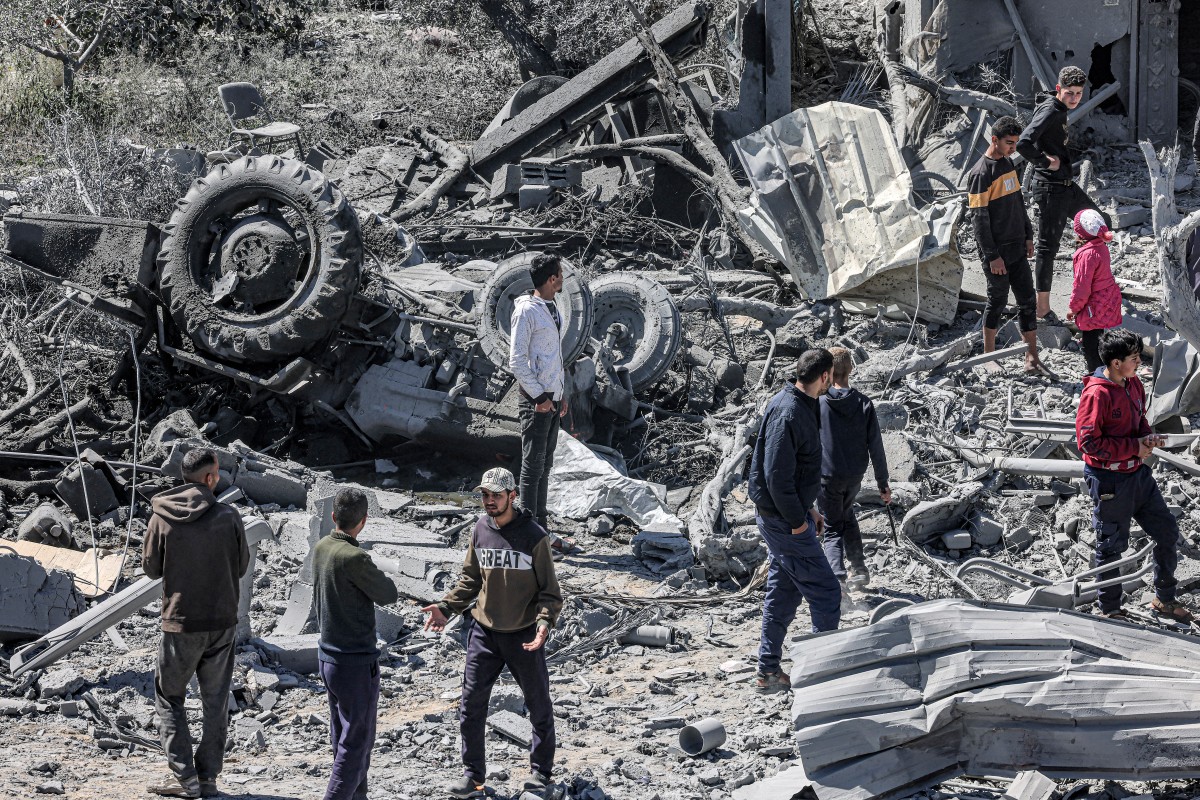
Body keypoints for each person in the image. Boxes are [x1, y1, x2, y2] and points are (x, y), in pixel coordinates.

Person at [422, 467, 562, 799]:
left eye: (496, 496)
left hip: (523, 635)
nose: (489, 501)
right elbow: (470, 580)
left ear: (512, 496)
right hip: (483, 632)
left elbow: (550, 592)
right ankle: (474, 778)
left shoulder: (534, 536)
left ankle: (541, 774)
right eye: (485, 495)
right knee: (471, 705)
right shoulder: (480, 530)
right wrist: (446, 607)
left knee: (538, 704)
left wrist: (544, 625)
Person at [144, 448, 249, 799]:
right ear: (208, 478)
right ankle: (207, 779)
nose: (218, 478)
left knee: (169, 696)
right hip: (221, 622)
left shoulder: (161, 516)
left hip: (180, 623)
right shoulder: (229, 516)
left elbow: (151, 569)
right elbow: (242, 566)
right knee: (215, 702)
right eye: (216, 472)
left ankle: (186, 777)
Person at [1076, 329, 1192, 622]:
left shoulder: (1133, 383)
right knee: (1111, 546)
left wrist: (1146, 437)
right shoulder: (1097, 394)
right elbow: (1088, 443)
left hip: (1138, 476)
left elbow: (1140, 418)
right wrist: (1133, 447)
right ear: (1116, 363)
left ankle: (1164, 599)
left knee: (1166, 531)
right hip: (1110, 481)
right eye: (1134, 358)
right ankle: (1110, 609)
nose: (1140, 362)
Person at [747, 348, 842, 695]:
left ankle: (768, 672)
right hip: (782, 520)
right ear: (823, 377)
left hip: (789, 515)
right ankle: (819, 678)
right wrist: (797, 523)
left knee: (783, 593)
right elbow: (775, 477)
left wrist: (809, 510)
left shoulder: (802, 404)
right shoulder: (788, 412)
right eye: (831, 376)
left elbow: (796, 472)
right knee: (827, 594)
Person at [311, 488, 399, 800]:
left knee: (343, 736)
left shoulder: (322, 547)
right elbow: (388, 594)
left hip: (328, 658)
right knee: (356, 743)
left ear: (334, 517)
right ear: (363, 522)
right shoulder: (355, 557)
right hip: (355, 663)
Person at [1018, 65, 1112, 320]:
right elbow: (1023, 142)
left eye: (1079, 93)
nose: (1074, 98)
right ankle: (1042, 309)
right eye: (1069, 93)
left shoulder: (1056, 105)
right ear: (1059, 89)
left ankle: (1093, 287)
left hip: (1065, 185)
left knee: (1101, 223)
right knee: (1047, 249)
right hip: (1050, 188)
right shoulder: (1051, 110)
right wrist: (1046, 161)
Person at [968, 115, 1046, 374]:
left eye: (1015, 143)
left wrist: (1028, 234)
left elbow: (1018, 203)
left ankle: (1032, 357)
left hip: (1017, 247)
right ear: (994, 140)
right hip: (997, 252)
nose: (1014, 148)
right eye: (1009, 143)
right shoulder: (981, 173)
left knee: (1027, 300)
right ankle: (987, 356)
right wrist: (992, 256)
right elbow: (979, 220)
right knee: (997, 300)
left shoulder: (1008, 164)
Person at [508, 252, 574, 555]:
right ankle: (527, 534)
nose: (562, 278)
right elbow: (517, 361)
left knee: (545, 465)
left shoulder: (552, 305)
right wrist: (541, 397)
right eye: (559, 273)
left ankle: (541, 531)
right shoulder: (526, 311)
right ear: (551, 279)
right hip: (535, 403)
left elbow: (551, 356)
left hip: (552, 398)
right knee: (532, 466)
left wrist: (560, 395)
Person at [817, 347, 891, 589]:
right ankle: (859, 569)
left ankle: (837, 579)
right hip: (854, 476)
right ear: (850, 370)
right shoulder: (864, 404)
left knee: (832, 527)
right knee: (846, 514)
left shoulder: (820, 403)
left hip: (828, 476)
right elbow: (876, 447)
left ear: (827, 373)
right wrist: (883, 484)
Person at [1067, 209, 1122, 374]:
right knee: (1100, 339)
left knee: (1091, 346)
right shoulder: (1101, 246)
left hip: (1093, 305)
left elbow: (1082, 288)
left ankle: (1096, 379)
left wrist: (1073, 308)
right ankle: (1106, 375)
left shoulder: (1087, 255)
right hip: (1105, 299)